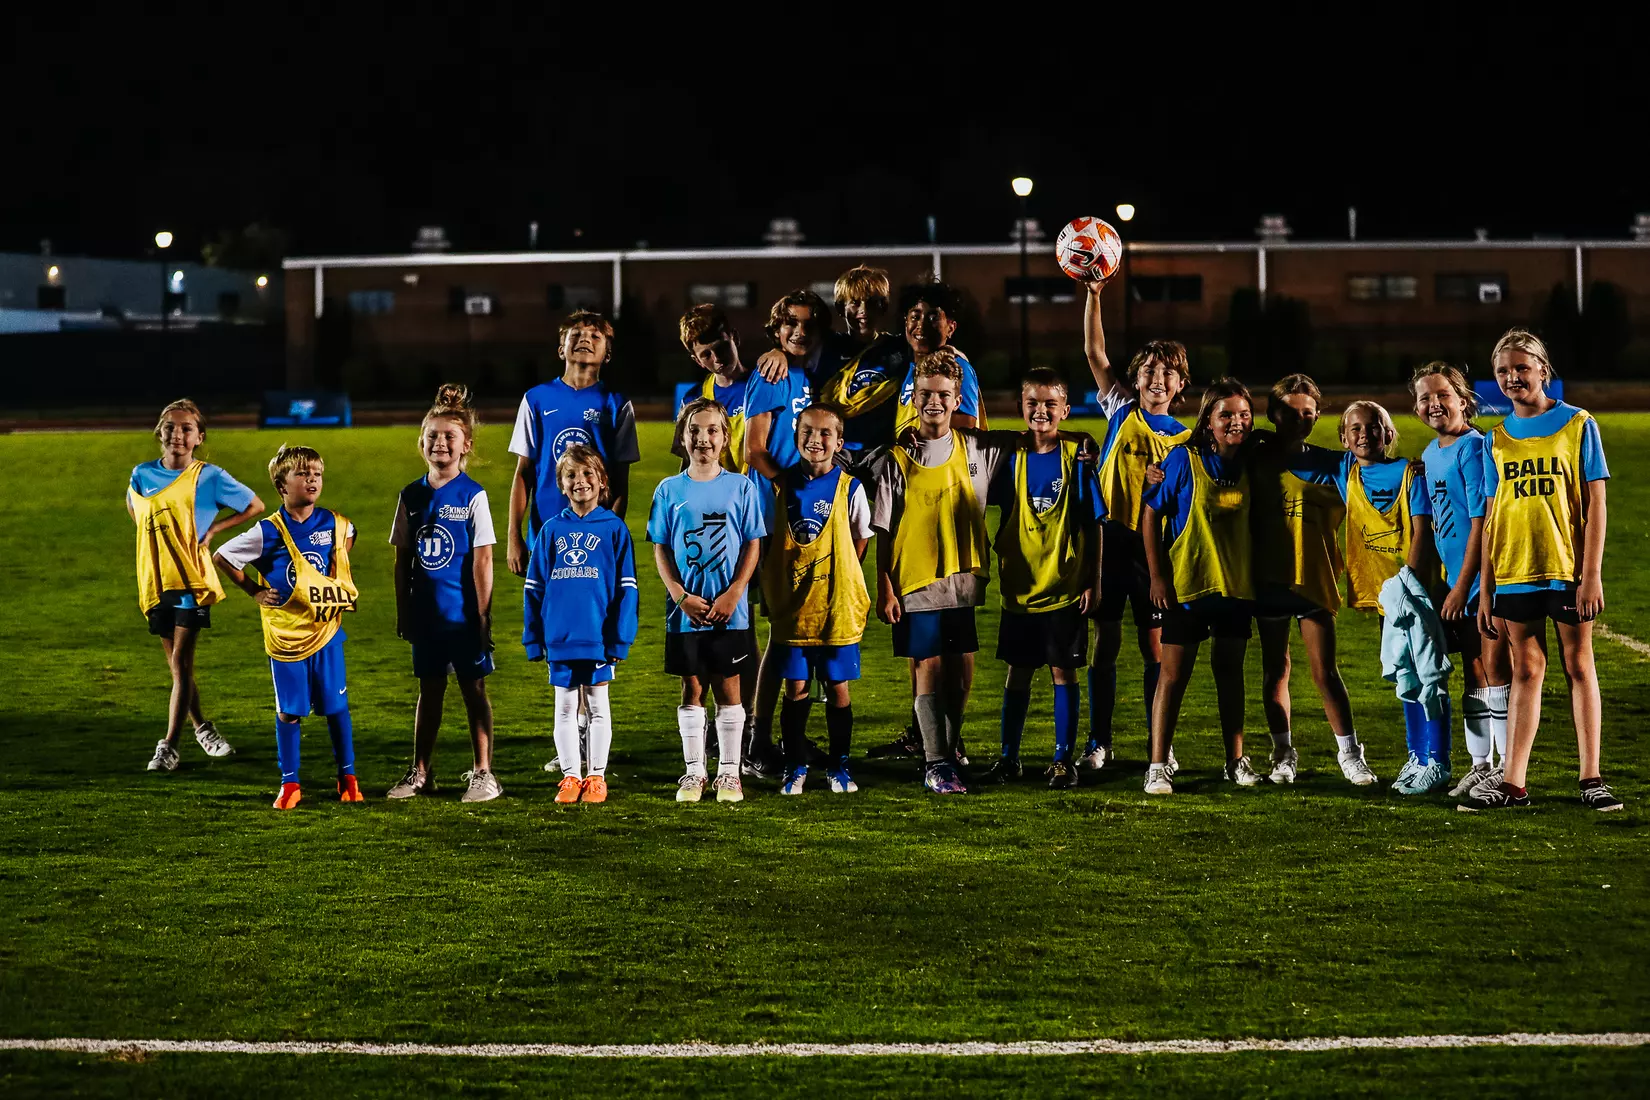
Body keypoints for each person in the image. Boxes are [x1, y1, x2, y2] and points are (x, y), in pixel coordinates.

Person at [1463, 329, 1621, 812]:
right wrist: (1486, 590)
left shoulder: (1578, 424)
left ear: (1543, 370)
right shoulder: (1496, 439)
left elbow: (1596, 503)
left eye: (1521, 368)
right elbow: (1491, 518)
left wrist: (1590, 574)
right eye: (1503, 371)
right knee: (1526, 670)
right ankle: (1514, 784)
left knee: (1578, 664)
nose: (1513, 378)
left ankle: (1591, 777)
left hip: (1566, 568)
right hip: (1513, 571)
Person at [867, 348, 1009, 794]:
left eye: (943, 394)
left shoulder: (977, 447)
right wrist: (885, 587)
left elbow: (1035, 441)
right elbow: (884, 533)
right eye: (925, 393)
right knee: (927, 665)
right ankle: (934, 762)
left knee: (959, 668)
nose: (934, 402)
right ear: (914, 398)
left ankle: (949, 747)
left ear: (957, 398)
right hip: (915, 579)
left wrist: (1079, 438)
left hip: (963, 578)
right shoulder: (896, 459)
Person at [1078, 278, 1191, 773]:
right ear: (1136, 379)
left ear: (1182, 384)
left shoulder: (1188, 438)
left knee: (1154, 647)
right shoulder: (1121, 410)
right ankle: (1098, 741)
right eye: (1148, 372)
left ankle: (1157, 743)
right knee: (1105, 644)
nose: (1157, 380)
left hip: (1154, 551)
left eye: (1167, 374)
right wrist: (1096, 295)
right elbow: (1094, 351)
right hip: (1110, 541)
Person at [214, 445, 360, 810]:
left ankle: (348, 777)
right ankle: (290, 783)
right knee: (289, 710)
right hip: (287, 636)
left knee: (336, 706)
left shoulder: (334, 523)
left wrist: (324, 589)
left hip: (325, 631)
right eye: (302, 474)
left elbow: (347, 541)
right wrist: (254, 590)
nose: (312, 480)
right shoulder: (268, 531)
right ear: (281, 486)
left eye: (316, 474)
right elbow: (223, 556)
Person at [1249, 375, 1377, 787]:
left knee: (1326, 671)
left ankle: (1350, 755)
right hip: (1268, 578)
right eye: (1289, 412)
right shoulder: (1253, 456)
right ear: (1271, 414)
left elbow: (1376, 475)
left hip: (1314, 577)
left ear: (1318, 415)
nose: (1299, 420)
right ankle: (1283, 754)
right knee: (1276, 671)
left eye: (1307, 413)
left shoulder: (1332, 463)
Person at [982, 368, 1106, 790]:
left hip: (1064, 586)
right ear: (1021, 406)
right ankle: (1009, 758)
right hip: (1019, 587)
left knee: (1062, 673)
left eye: (1050, 404)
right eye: (1032, 402)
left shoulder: (1077, 456)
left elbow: (1093, 524)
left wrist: (1094, 580)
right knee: (1017, 672)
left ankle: (1061, 760)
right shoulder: (1008, 455)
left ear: (1065, 410)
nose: (1041, 410)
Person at [128, 398, 263, 772]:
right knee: (177, 668)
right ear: (160, 433)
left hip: (192, 580)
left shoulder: (210, 477)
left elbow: (254, 504)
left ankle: (168, 746)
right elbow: (138, 517)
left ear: (199, 437)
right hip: (155, 579)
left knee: (181, 661)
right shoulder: (140, 475)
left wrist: (213, 530)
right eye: (171, 427)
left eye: (187, 428)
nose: (178, 434)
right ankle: (204, 728)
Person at [1139, 379, 1258, 795]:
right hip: (1187, 587)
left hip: (1236, 588)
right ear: (1208, 421)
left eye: (1243, 414)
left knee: (1230, 676)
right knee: (1172, 678)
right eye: (1226, 414)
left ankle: (1235, 760)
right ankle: (1157, 765)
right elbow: (1151, 514)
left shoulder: (1253, 461)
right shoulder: (1182, 460)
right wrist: (1157, 576)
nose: (1236, 422)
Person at [648, 398, 767, 804]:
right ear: (682, 438)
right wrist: (679, 596)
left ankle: (729, 774)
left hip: (729, 610)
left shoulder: (741, 487)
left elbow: (753, 543)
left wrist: (737, 591)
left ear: (724, 437)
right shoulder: (668, 490)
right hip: (686, 612)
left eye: (712, 430)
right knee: (692, 687)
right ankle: (694, 773)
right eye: (694, 430)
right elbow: (660, 548)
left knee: (728, 688)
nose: (703, 438)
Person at [386, 384, 501, 803]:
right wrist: (404, 611)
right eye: (432, 436)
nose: (440, 443)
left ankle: (484, 772)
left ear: (465, 444)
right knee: (429, 690)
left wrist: (482, 615)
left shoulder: (474, 495)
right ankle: (421, 772)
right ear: (422, 443)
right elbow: (402, 560)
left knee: (473, 689)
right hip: (427, 616)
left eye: (448, 436)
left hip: (462, 614)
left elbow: (483, 560)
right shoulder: (411, 495)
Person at [758, 405, 873, 795]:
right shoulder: (782, 485)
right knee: (796, 687)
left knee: (838, 687)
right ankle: (795, 765)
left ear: (839, 442)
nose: (816, 440)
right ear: (796, 437)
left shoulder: (850, 487)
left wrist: (833, 575)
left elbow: (859, 542)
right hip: (795, 609)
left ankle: (839, 766)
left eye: (826, 434)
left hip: (836, 607)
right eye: (808, 431)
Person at [1410, 363, 1511, 797]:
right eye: (1424, 398)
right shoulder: (1433, 452)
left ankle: (1508, 767)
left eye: (1443, 395)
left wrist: (1461, 585)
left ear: (1463, 400)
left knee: (1494, 671)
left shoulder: (1474, 447)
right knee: (1473, 672)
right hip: (1456, 584)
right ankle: (1480, 763)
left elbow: (1481, 523)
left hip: (1481, 584)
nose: (1434, 404)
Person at [1336, 401, 1444, 793]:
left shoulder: (1409, 474)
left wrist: (1409, 589)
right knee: (1406, 677)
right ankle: (1417, 757)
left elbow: (1421, 531)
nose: (1365, 434)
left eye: (1374, 426)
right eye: (1356, 429)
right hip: (1386, 600)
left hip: (1412, 595)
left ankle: (1438, 759)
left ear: (1389, 434)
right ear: (1344, 438)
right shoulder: (1344, 472)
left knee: (1430, 676)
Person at [524, 446, 639, 804]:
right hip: (560, 638)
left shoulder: (614, 529)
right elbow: (534, 587)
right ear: (560, 484)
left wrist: (619, 639)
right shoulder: (551, 530)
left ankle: (597, 777)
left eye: (588, 474)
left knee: (598, 705)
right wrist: (534, 638)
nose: (580, 482)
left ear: (602, 481)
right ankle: (571, 776)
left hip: (597, 637)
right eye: (571, 476)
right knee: (564, 707)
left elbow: (627, 589)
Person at [507, 310, 641, 578]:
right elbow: (524, 471)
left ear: (608, 354)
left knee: (592, 613)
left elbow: (620, 481)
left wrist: (610, 531)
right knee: (546, 614)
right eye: (576, 334)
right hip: (545, 531)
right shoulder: (536, 399)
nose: (585, 339)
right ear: (561, 349)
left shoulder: (616, 403)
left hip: (595, 534)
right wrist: (514, 537)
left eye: (595, 335)